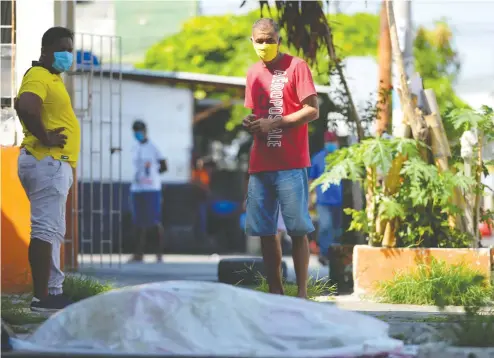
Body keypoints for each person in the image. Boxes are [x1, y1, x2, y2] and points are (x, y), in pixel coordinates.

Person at [242, 18, 319, 298]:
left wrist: (273, 124)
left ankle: (301, 293)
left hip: (291, 162)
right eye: (259, 41)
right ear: (252, 42)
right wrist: (251, 122)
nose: (264, 45)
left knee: (298, 229)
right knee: (265, 232)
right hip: (261, 163)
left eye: (269, 39)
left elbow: (312, 110)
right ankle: (275, 292)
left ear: (279, 40)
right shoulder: (252, 73)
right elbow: (255, 112)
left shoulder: (296, 67)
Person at [15, 26, 79, 312]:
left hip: (53, 164)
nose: (68, 54)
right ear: (45, 50)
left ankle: (53, 293)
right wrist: (46, 137)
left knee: (52, 230)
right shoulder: (38, 75)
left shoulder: (52, 78)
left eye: (70, 49)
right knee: (44, 230)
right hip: (46, 161)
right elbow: (26, 106)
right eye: (62, 49)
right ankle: (42, 298)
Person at [130, 120, 167, 262]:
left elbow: (164, 166)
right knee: (138, 222)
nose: (138, 134)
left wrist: (152, 175)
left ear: (145, 131)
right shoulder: (134, 147)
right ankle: (138, 253)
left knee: (154, 221)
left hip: (151, 189)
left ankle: (159, 253)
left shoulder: (154, 148)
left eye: (139, 131)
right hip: (137, 188)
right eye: (135, 131)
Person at [308, 131, 343, 266]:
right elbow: (311, 180)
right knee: (325, 227)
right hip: (323, 200)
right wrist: (310, 199)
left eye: (333, 141)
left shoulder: (342, 158)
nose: (331, 144)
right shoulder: (317, 158)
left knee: (337, 229)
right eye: (329, 141)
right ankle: (324, 253)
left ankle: (335, 254)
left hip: (339, 200)